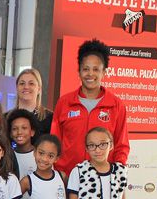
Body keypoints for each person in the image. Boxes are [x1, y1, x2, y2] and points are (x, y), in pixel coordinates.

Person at [51, 39, 129, 175]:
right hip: (67, 179)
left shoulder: (116, 106)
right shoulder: (64, 103)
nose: (90, 74)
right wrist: (59, 172)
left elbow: (121, 146)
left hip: (102, 181)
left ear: (104, 72)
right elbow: (54, 141)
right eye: (86, 69)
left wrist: (116, 174)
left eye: (96, 69)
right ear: (79, 71)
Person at [12, 68, 53, 139]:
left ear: (39, 89)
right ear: (17, 88)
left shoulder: (50, 118)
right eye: (22, 83)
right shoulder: (6, 118)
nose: (26, 87)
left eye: (31, 83)